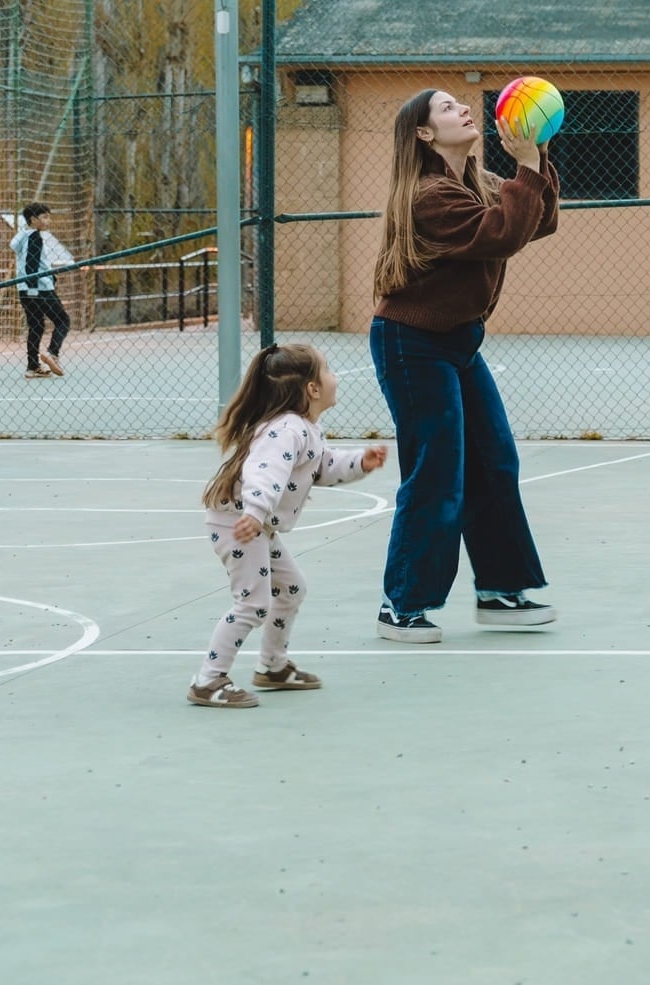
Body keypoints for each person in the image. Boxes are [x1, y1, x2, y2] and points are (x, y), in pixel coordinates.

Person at [369, 88, 560, 644]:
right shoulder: (428, 194)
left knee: (494, 461)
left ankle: (499, 591)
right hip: (412, 342)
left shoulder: (477, 182)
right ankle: (402, 604)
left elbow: (537, 220)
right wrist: (526, 166)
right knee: (437, 471)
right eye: (448, 108)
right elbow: (501, 234)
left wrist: (538, 156)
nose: (464, 110)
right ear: (425, 134)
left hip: (458, 342)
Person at [188, 342, 389, 709]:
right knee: (253, 602)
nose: (334, 377)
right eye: (328, 370)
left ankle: (272, 667)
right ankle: (208, 679)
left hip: (253, 522)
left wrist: (360, 462)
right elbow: (264, 472)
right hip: (240, 522)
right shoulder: (286, 430)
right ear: (312, 389)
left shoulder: (306, 429)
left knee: (291, 588)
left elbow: (324, 467)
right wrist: (256, 510)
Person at [9, 202, 74, 379]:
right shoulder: (34, 237)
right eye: (44, 217)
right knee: (63, 320)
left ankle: (32, 367)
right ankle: (52, 353)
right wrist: (35, 287)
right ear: (33, 219)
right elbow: (31, 265)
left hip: (24, 289)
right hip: (38, 289)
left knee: (36, 326)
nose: (48, 220)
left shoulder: (23, 235)